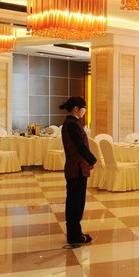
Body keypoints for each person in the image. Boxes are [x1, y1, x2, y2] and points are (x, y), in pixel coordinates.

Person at [59, 97, 97, 245]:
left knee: (74, 201)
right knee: (76, 202)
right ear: (76, 109)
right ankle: (75, 235)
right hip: (77, 168)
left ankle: (74, 233)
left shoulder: (70, 123)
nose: (85, 111)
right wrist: (92, 160)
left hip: (76, 167)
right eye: (84, 107)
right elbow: (80, 146)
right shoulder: (72, 124)